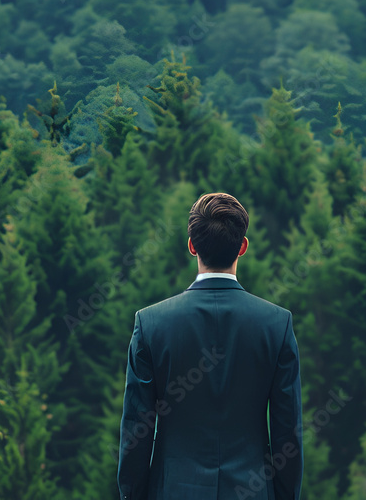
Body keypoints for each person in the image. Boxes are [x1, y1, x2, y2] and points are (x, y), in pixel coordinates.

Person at [117, 192, 303, 500]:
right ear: (242, 247)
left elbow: (137, 431)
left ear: (191, 246)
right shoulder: (276, 324)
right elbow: (288, 434)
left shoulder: (150, 324)